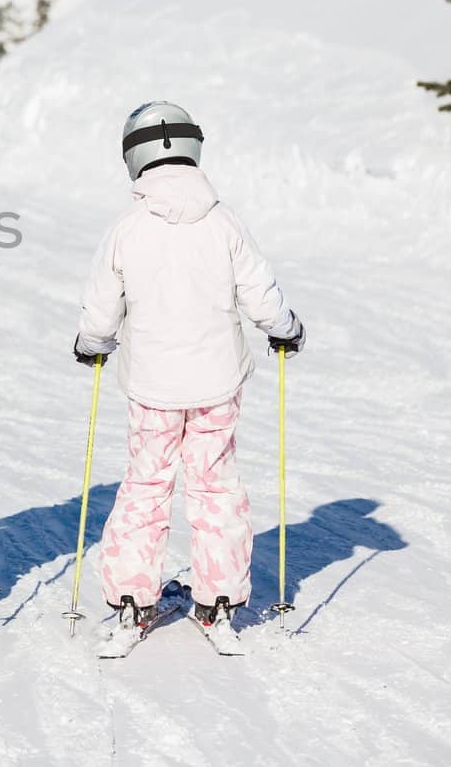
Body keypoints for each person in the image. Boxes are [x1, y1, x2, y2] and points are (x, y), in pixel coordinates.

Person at [73, 101, 304, 639]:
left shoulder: (127, 228)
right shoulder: (225, 222)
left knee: (146, 483)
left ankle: (133, 597)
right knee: (215, 485)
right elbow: (260, 293)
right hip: (217, 386)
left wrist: (92, 342)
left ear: (133, 157)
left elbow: (102, 304)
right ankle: (218, 598)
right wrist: (285, 327)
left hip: (152, 387)